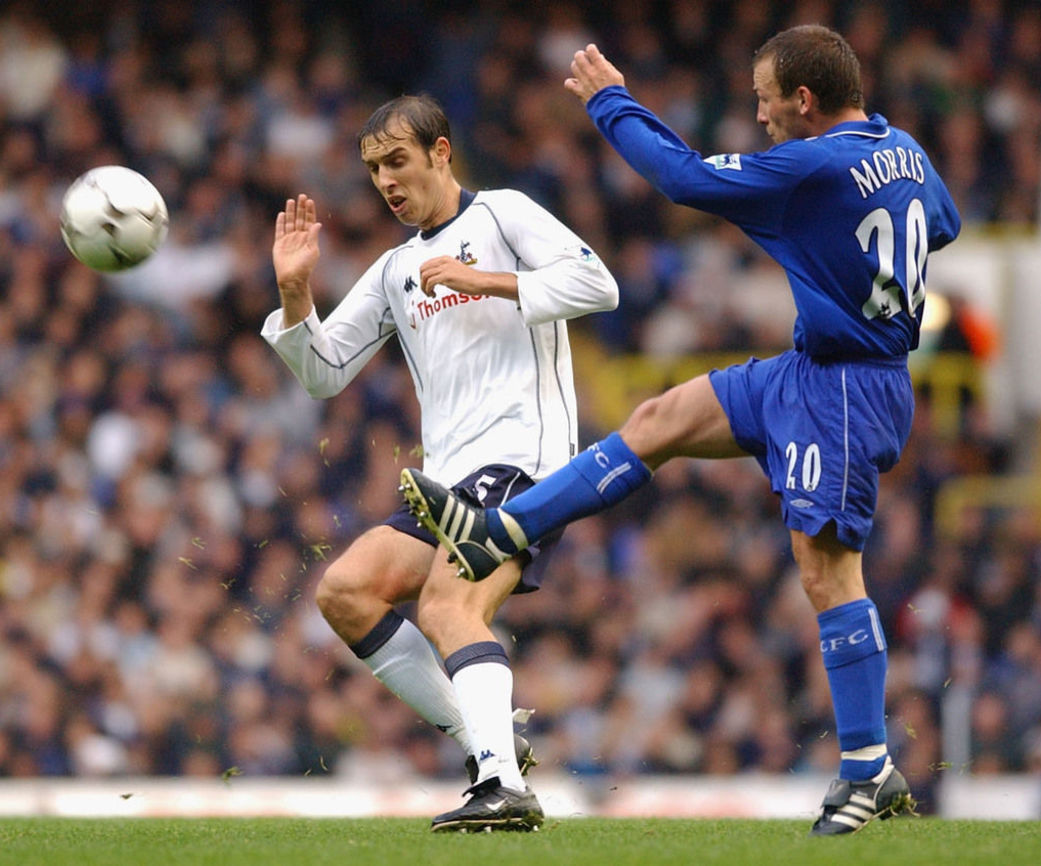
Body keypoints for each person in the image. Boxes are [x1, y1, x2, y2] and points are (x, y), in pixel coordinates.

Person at [399, 26, 961, 836]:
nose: (760, 114)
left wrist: (609, 102)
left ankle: (867, 770)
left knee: (826, 572)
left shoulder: (812, 163)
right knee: (661, 419)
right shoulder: (902, 148)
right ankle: (500, 531)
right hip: (812, 369)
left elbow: (683, 179)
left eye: (766, 98)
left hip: (846, 388)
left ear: (804, 99)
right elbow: (936, 226)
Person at [263, 94, 618, 832]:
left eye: (398, 161)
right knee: (346, 591)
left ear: (441, 152)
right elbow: (324, 371)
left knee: (448, 608)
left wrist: (488, 281)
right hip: (447, 481)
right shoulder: (396, 269)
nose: (387, 181)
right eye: (373, 170)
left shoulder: (504, 216)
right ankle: (490, 746)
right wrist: (296, 294)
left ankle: (502, 785)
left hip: (525, 463)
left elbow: (598, 285)